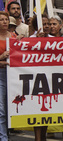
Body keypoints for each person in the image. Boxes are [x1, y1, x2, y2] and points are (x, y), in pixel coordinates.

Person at [0, 12, 14, 141]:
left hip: (13, 76)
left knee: (11, 108)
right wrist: (1, 58)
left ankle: (6, 133)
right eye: (1, 20)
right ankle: (3, 137)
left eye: (6, 19)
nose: (4, 22)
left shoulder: (14, 37)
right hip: (0, 75)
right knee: (1, 110)